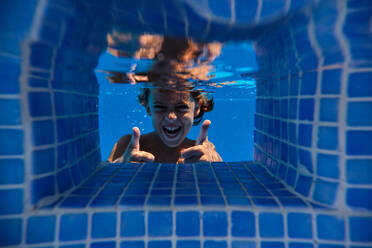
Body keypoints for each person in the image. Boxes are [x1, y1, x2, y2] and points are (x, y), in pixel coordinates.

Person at [108, 86, 222, 163]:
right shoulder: (127, 146)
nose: (171, 117)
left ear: (197, 108)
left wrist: (215, 162)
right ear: (149, 108)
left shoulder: (201, 153)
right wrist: (120, 166)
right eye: (160, 107)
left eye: (181, 107)